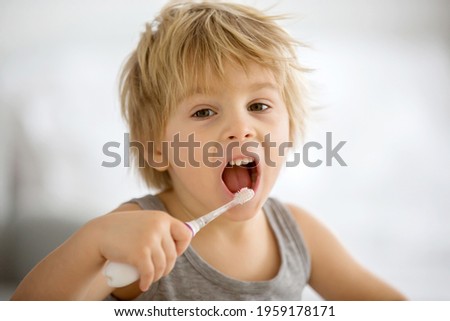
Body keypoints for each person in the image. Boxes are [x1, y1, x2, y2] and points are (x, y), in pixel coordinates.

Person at [11, 1, 405, 300]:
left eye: (259, 106)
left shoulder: (297, 234)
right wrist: (92, 242)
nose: (240, 129)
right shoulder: (140, 235)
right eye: (204, 111)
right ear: (158, 149)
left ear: (291, 129)